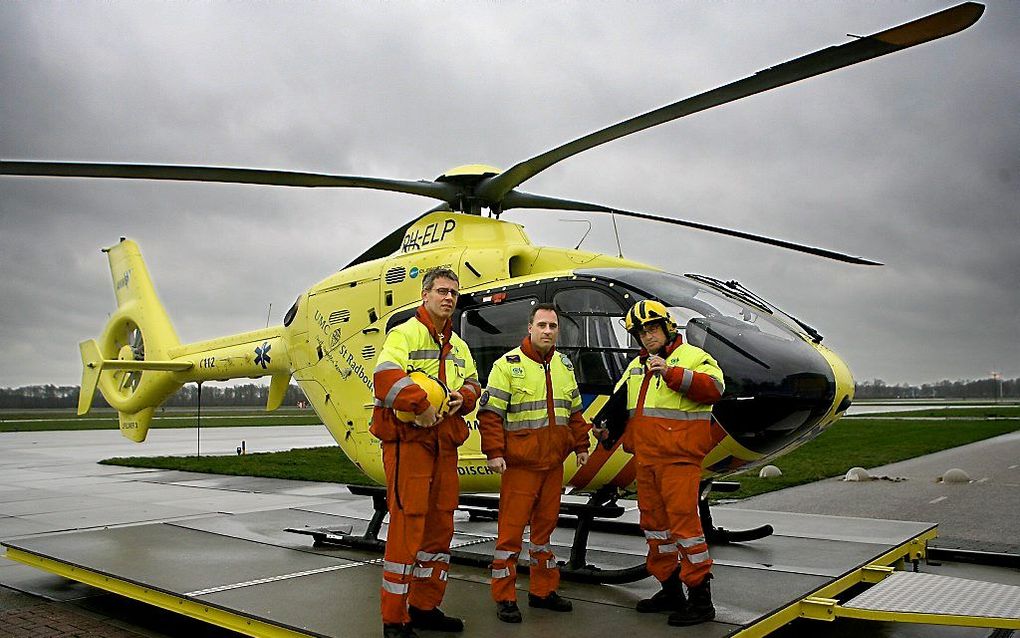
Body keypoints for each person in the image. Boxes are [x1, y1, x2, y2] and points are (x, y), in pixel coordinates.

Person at [371, 268, 481, 638]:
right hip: (410, 444)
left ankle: (424, 606)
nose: (448, 298)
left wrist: (460, 399)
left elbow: (472, 384)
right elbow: (385, 377)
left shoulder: (460, 346)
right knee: (408, 527)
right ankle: (394, 619)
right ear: (425, 294)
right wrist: (421, 405)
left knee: (439, 529)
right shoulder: (404, 334)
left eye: (453, 293)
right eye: (442, 291)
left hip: (444, 444)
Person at [478, 303, 591, 624]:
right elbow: (490, 416)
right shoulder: (506, 366)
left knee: (544, 533)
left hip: (553, 465)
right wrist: (495, 453)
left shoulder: (563, 365)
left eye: (552, 326)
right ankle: (505, 596)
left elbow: (574, 412)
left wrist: (581, 445)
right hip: (520, 467)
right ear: (529, 328)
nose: (547, 331)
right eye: (541, 325)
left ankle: (543, 591)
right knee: (510, 536)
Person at [615, 300, 725, 626]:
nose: (647, 337)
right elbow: (623, 403)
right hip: (647, 460)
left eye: (652, 329)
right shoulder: (636, 366)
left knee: (685, 530)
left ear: (667, 328)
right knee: (654, 528)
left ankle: (701, 601)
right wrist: (606, 428)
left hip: (679, 459)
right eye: (641, 332)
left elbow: (715, 387)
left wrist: (672, 374)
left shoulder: (692, 357)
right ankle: (670, 590)